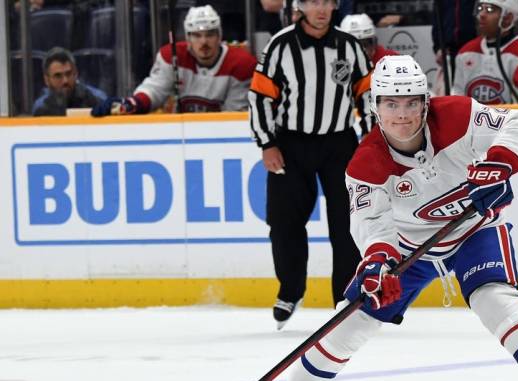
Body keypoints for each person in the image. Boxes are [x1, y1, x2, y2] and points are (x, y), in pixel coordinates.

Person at [243, 54, 518, 381]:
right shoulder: (364, 165)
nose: (403, 114)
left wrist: (500, 162)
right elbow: (371, 225)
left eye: (412, 102)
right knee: (354, 316)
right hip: (410, 250)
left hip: (474, 232)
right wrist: (378, 264)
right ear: (375, 106)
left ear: (426, 101)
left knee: (493, 298)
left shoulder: (458, 115)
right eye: (391, 104)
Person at [249, 0, 371, 329]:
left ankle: (345, 299)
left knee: (347, 224)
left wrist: (373, 143)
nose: (320, 9)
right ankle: (290, 289)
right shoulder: (280, 45)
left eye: (326, 2)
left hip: (339, 143)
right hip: (291, 143)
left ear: (335, 6)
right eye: (313, 1)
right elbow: (260, 96)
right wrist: (267, 143)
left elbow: (367, 94)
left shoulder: (349, 46)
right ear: (301, 6)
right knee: (284, 221)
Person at [91, 5, 256, 116]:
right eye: (197, 35)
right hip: (179, 134)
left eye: (210, 34)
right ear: (188, 38)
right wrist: (131, 104)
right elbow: (154, 90)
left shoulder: (241, 64)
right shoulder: (172, 56)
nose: (204, 42)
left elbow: (233, 117)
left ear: (219, 36)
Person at [452, 0, 518, 104]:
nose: (481, 15)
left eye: (490, 10)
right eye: (480, 8)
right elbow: (458, 98)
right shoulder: (465, 52)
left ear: (508, 18)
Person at [32, 47, 107, 116]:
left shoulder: (97, 100)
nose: (65, 81)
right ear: (47, 80)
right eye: (58, 76)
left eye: (68, 74)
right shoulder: (41, 108)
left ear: (76, 74)